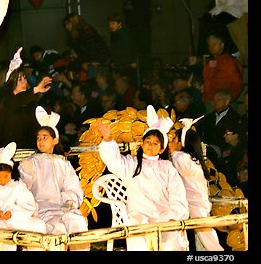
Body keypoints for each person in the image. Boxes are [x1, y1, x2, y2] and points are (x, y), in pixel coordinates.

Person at [95, 105, 190, 251]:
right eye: (148, 141)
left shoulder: (168, 167)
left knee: (171, 244)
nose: (150, 146)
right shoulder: (132, 164)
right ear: (142, 143)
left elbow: (177, 194)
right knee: (142, 244)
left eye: (155, 143)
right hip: (140, 216)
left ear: (162, 148)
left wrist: (175, 216)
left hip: (166, 217)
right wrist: (107, 139)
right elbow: (114, 161)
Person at [19, 107, 89, 251]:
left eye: (45, 137)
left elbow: (72, 188)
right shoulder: (30, 163)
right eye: (38, 138)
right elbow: (23, 189)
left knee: (77, 221)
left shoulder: (63, 163)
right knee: (58, 229)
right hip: (40, 209)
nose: (41, 141)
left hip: (61, 207)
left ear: (55, 140)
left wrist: (66, 204)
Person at [168, 119, 224, 251]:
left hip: (196, 203)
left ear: (181, 143)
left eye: (174, 139)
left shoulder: (181, 158)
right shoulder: (192, 159)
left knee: (207, 237)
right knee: (205, 235)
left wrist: (173, 151)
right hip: (194, 202)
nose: (171, 142)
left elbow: (178, 164)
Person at [0, 47, 53, 150]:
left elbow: (35, 128)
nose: (24, 82)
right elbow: (12, 102)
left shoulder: (30, 101)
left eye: (24, 78)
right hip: (4, 151)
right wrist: (36, 89)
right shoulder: (1, 95)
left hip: (27, 150)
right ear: (11, 81)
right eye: (19, 79)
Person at [197, 88, 241, 164]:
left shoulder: (235, 118)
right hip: (208, 153)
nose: (214, 102)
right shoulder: (209, 117)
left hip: (225, 155)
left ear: (226, 101)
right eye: (214, 100)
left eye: (218, 100)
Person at [202, 33, 243, 108]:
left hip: (224, 103)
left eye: (214, 44)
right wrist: (205, 96)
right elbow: (207, 80)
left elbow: (237, 83)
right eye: (209, 45)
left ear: (222, 45)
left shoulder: (230, 62)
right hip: (209, 100)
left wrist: (229, 99)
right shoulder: (210, 62)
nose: (211, 47)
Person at [123, 0, 152, 74]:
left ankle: (145, 72)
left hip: (142, 30)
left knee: (143, 53)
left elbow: (145, 14)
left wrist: (132, 9)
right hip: (133, 30)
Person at [218, 121, 248, 197]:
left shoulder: (243, 151)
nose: (224, 136)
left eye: (227, 134)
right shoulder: (228, 149)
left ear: (236, 135)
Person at [107, 12, 137, 77]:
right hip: (123, 66)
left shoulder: (123, 35)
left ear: (119, 23)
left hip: (125, 67)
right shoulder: (119, 34)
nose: (110, 26)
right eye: (109, 24)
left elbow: (127, 50)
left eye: (113, 24)